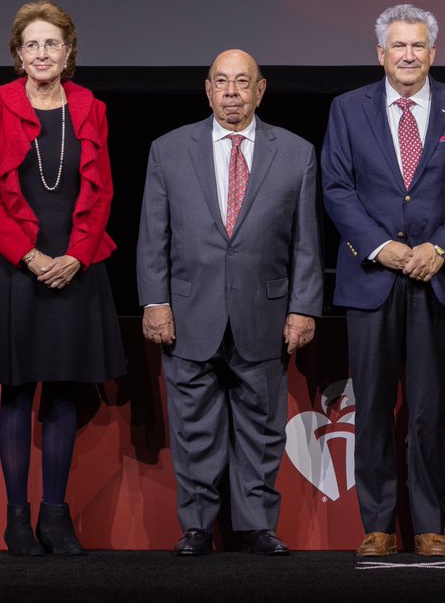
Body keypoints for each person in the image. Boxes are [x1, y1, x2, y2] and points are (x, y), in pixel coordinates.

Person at [136, 49, 323, 556]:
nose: (232, 92)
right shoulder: (169, 150)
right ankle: (196, 527)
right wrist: (154, 302)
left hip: (264, 312)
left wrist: (304, 307)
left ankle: (258, 526)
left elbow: (306, 241)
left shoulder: (297, 152)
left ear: (260, 91)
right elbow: (154, 237)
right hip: (189, 312)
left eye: (243, 82)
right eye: (222, 82)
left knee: (262, 430)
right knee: (193, 427)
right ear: (208, 89)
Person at [321, 4, 445, 558]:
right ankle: (376, 525)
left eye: (418, 46)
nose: (409, 55)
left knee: (427, 409)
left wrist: (438, 248)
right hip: (372, 275)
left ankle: (429, 526)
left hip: (435, 278)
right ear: (380, 54)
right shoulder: (348, 109)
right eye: (398, 46)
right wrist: (385, 248)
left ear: (433, 53)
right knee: (370, 405)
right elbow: (337, 188)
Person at [0, 0, 126, 556]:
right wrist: (28, 256)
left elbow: (103, 190)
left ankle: (55, 518)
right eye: (30, 44)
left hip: (74, 266)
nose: (41, 53)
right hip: (16, 267)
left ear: (68, 52)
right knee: (17, 391)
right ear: (17, 54)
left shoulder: (90, 106)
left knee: (62, 391)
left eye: (51, 44)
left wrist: (78, 255)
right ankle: (17, 519)